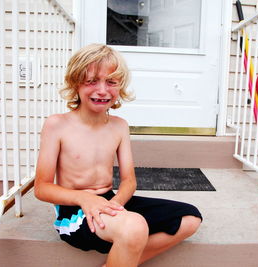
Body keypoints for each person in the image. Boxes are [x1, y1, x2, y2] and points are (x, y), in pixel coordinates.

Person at [34, 43, 202, 267]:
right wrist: (85, 198)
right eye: (92, 81)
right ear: (76, 83)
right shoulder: (57, 125)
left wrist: (116, 203)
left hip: (111, 201)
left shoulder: (119, 126)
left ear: (120, 86)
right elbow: (42, 188)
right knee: (134, 226)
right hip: (75, 212)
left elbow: (128, 181)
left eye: (111, 82)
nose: (102, 90)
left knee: (189, 218)